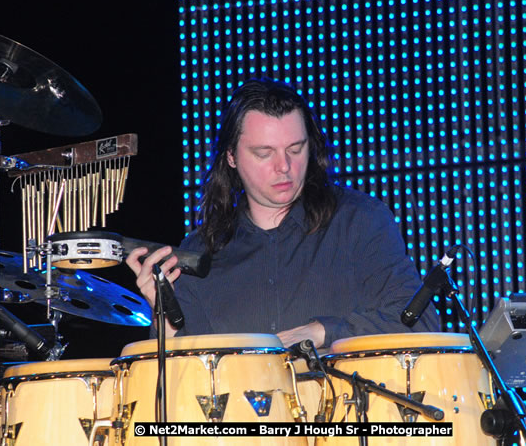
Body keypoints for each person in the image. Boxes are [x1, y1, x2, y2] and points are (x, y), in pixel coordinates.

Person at [125, 78, 439, 348]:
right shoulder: (199, 251)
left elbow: (420, 323)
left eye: (295, 148)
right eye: (264, 153)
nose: (284, 167)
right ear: (231, 157)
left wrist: (322, 331)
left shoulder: (360, 221)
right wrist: (166, 323)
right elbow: (191, 380)